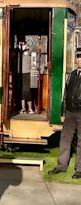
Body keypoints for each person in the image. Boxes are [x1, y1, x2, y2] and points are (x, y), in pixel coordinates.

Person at [48, 48, 81, 179]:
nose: (79, 59)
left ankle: (79, 169)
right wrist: (63, 110)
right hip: (70, 112)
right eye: (78, 56)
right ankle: (61, 167)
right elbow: (66, 93)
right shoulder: (72, 74)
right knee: (65, 139)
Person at [19, 41, 34, 114]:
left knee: (27, 90)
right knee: (21, 91)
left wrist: (26, 47)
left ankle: (30, 108)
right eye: (20, 43)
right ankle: (23, 108)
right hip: (19, 73)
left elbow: (34, 55)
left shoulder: (28, 51)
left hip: (27, 73)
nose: (21, 45)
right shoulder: (18, 52)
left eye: (22, 43)